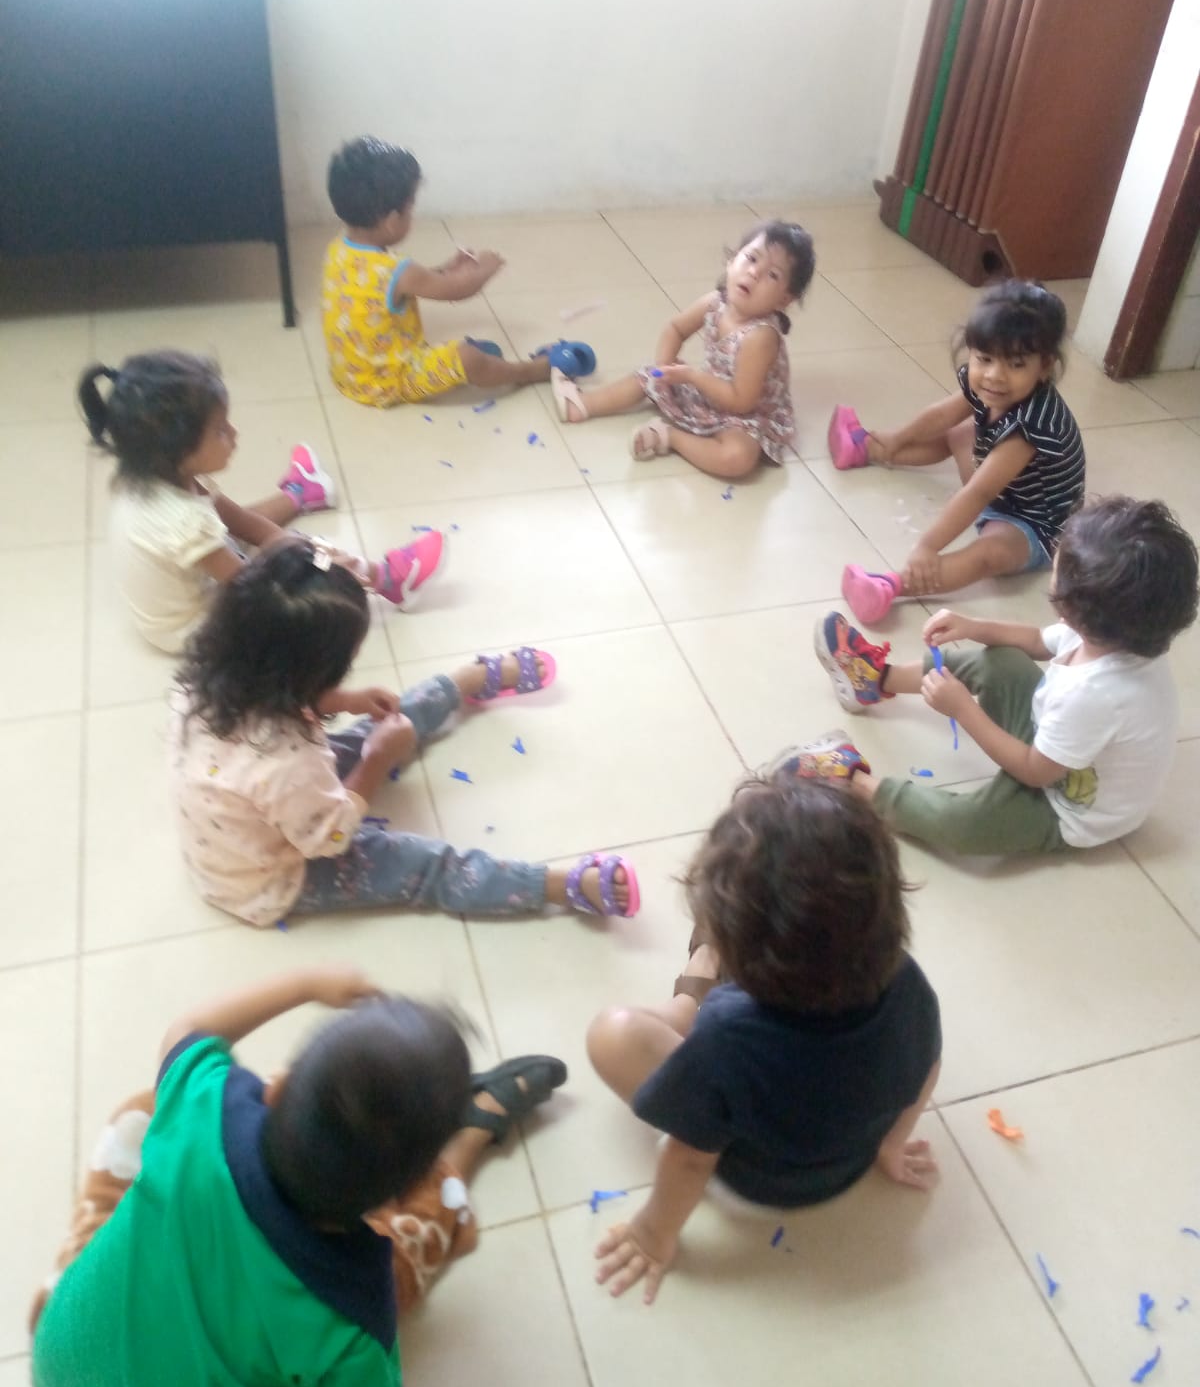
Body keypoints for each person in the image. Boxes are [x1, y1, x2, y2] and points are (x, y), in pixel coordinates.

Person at [30, 962, 570, 1387]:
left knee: (147, 1110)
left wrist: (305, 985)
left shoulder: (203, 1103)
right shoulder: (355, 1314)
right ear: (399, 1195)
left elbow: (188, 1027)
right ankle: (467, 1145)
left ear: (278, 1087)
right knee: (410, 1249)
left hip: (60, 1365)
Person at [585, 775, 941, 1304]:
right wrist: (890, 1145)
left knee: (611, 1034)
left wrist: (653, 1233)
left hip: (755, 1178)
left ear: (742, 964)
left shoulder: (726, 1035)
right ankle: (701, 973)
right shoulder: (907, 981)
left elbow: (690, 1159)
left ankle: (693, 987)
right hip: (845, 1165)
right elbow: (928, 1065)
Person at [171, 536, 640, 927]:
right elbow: (329, 838)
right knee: (424, 864)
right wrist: (376, 760)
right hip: (271, 878)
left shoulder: (211, 680)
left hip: (255, 806)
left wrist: (344, 700)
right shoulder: (285, 764)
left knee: (382, 726)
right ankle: (560, 886)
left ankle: (461, 685)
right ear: (304, 675)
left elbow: (280, 719)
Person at [800, 496, 1199, 856]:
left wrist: (963, 709)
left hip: (1066, 809)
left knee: (966, 825)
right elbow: (1037, 641)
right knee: (1001, 661)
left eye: (1057, 564)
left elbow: (1034, 771)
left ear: (1072, 606)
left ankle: (854, 784)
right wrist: (974, 626)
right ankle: (873, 680)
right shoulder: (1117, 634)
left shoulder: (1097, 695)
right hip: (1057, 747)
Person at [79, 350, 442, 652]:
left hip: (186, 588)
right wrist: (318, 559)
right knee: (301, 569)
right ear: (178, 451)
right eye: (221, 430)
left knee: (263, 539)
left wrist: (288, 544)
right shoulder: (185, 521)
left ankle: (302, 493)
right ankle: (386, 578)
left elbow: (239, 520)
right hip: (195, 630)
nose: (234, 433)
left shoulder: (151, 474)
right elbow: (256, 589)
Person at [828, 280, 1085, 625]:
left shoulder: (1034, 426)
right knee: (959, 431)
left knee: (989, 555)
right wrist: (895, 439)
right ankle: (870, 449)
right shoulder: (987, 385)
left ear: (1045, 366)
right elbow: (941, 416)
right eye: (985, 359)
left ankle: (890, 586)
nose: (995, 375)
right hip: (1002, 489)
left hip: (1036, 524)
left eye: (1016, 364)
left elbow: (979, 492)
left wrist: (928, 546)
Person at [322, 136, 590, 407]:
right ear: (392, 221)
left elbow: (388, 287)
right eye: (411, 208)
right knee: (469, 359)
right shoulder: (398, 271)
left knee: (468, 355)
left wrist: (445, 269)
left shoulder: (338, 249)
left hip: (349, 374)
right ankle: (531, 372)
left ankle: (488, 365)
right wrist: (485, 270)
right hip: (390, 381)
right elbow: (457, 291)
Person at [549, 220, 814, 480]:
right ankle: (584, 404)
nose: (754, 273)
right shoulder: (715, 302)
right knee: (646, 375)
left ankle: (670, 437)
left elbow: (741, 401)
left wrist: (693, 377)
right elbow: (675, 329)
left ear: (784, 299)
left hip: (745, 417)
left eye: (772, 275)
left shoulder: (760, 337)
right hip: (707, 392)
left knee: (738, 457)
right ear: (732, 260)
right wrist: (663, 370)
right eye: (751, 258)